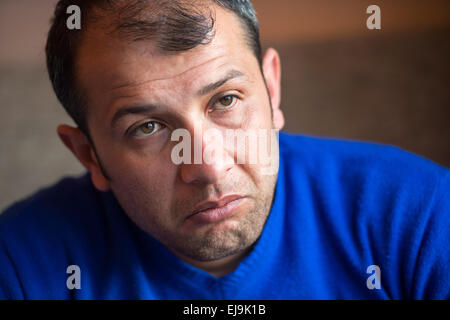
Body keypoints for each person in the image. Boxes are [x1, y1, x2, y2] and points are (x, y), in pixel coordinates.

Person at [0, 0, 448, 300]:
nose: (208, 167)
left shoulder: (418, 217)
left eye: (226, 101)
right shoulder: (20, 267)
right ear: (88, 155)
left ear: (271, 88)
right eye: (148, 127)